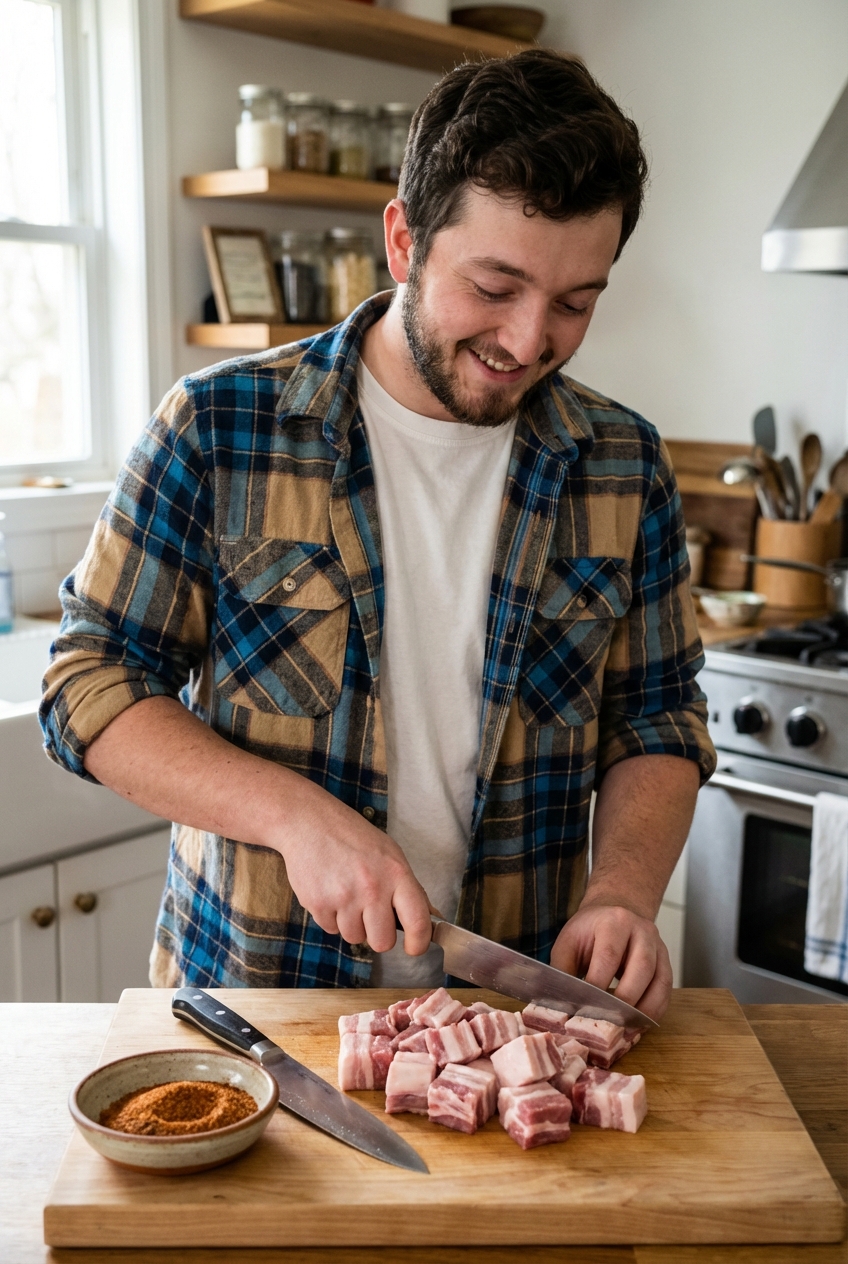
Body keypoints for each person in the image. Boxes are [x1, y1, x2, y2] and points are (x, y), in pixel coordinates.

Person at [40, 50, 715, 1020]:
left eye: (574, 303)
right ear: (402, 242)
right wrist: (292, 816)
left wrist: (621, 892)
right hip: (260, 1016)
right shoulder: (220, 428)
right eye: (493, 286)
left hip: (506, 1032)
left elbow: (656, 719)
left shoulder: (621, 464)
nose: (528, 341)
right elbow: (87, 683)